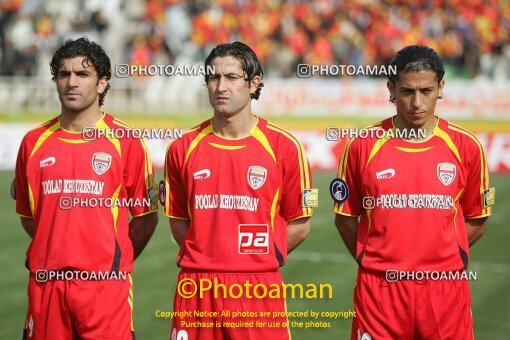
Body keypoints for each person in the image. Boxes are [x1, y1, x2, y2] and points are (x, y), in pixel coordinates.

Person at [333, 45, 494, 339]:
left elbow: (477, 217)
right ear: (391, 88)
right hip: (379, 290)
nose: (417, 103)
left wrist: (440, 254)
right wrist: (374, 259)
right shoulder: (362, 146)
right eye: (407, 91)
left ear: (441, 87)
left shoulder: (466, 147)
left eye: (427, 91)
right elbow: (345, 218)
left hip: (445, 288)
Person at [162, 41, 315, 340]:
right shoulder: (182, 148)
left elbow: (300, 223)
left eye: (232, 78)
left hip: (257, 289)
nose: (221, 86)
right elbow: (178, 222)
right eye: (214, 77)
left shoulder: (284, 147)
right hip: (196, 289)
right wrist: (208, 257)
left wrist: (258, 260)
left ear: (254, 83)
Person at [14, 37, 158, 339]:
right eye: (64, 74)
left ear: (102, 83)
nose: (71, 82)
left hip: (105, 288)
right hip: (46, 285)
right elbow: (30, 218)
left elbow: (146, 217)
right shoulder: (33, 142)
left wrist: (112, 261)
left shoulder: (127, 140)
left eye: (82, 74)